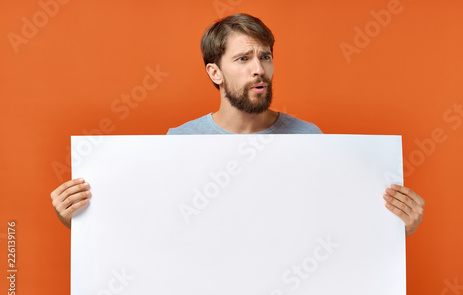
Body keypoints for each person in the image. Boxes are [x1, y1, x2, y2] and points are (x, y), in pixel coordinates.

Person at [50, 13, 425, 235]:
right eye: (243, 58)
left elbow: (332, 229)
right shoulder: (180, 142)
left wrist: (394, 229)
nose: (259, 69)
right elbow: (149, 229)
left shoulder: (308, 139)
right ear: (215, 71)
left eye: (265, 56)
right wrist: (77, 219)